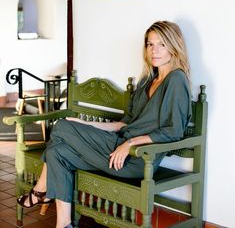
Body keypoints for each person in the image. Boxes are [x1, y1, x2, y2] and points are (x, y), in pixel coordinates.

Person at [17, 20, 192, 228]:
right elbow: (123, 123)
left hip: (137, 159)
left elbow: (175, 131)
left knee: (61, 127)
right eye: (149, 44)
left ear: (174, 46)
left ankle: (40, 191)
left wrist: (129, 144)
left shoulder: (176, 80)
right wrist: (85, 124)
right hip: (115, 147)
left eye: (161, 44)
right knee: (58, 152)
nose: (153, 50)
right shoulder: (148, 79)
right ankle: (63, 225)